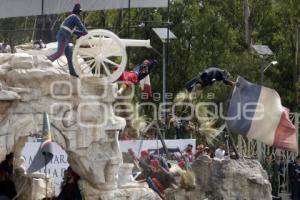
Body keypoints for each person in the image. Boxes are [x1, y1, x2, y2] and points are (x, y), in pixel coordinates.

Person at [47, 3, 88, 77]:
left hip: (63, 36)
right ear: (78, 12)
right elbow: (82, 28)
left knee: (69, 55)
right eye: (79, 12)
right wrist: (86, 32)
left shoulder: (71, 17)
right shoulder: (75, 18)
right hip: (63, 36)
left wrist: (82, 33)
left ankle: (72, 72)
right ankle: (46, 61)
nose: (80, 14)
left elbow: (74, 31)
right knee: (59, 53)